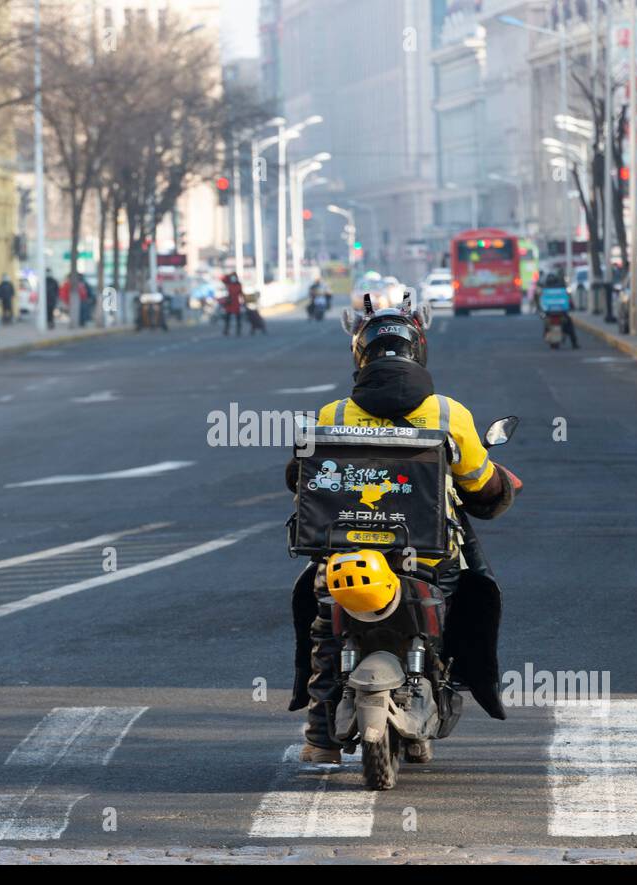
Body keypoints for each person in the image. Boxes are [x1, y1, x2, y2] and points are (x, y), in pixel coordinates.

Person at [285, 298, 518, 763]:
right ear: (419, 351)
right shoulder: (449, 415)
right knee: (465, 606)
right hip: (427, 557)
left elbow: (303, 477)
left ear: (360, 354)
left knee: (323, 627)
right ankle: (450, 680)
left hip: (344, 557)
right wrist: (498, 484)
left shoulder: (332, 415)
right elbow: (478, 481)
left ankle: (319, 731)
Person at [538, 269, 579, 348]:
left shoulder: (555, 290)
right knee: (569, 326)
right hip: (556, 312)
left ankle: (574, 343)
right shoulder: (552, 290)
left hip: (554, 312)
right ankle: (574, 343)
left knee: (568, 324)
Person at [221, 272, 243, 336]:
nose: (233, 278)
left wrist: (244, 302)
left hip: (236, 303)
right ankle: (226, 330)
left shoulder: (238, 285)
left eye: (234, 277)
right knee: (227, 318)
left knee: (238, 318)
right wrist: (229, 275)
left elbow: (241, 293)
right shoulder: (229, 284)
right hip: (229, 303)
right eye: (232, 277)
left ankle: (238, 330)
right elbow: (223, 279)